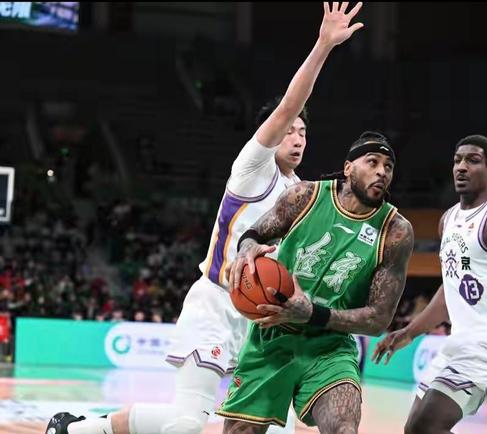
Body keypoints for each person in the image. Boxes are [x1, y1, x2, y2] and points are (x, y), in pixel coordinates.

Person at [45, 2, 364, 434]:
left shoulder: (301, 196)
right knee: (188, 423)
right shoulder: (252, 166)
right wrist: (323, 46)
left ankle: (80, 430)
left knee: (270, 427)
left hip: (263, 323)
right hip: (216, 303)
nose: (297, 137)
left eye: (303, 132)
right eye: (290, 130)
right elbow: (290, 105)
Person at [219, 130, 414, 434]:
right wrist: (246, 249)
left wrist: (313, 314)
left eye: (388, 167)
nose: (382, 172)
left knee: (343, 429)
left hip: (330, 347)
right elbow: (254, 234)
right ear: (348, 167)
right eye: (372, 162)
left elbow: (378, 319)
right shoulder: (305, 196)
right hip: (272, 338)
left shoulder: (395, 232)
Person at [373, 135, 487, 433]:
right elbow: (451, 291)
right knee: (414, 430)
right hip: (459, 344)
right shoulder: (447, 219)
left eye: (472, 161)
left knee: (425, 427)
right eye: (457, 160)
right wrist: (410, 332)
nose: (461, 167)